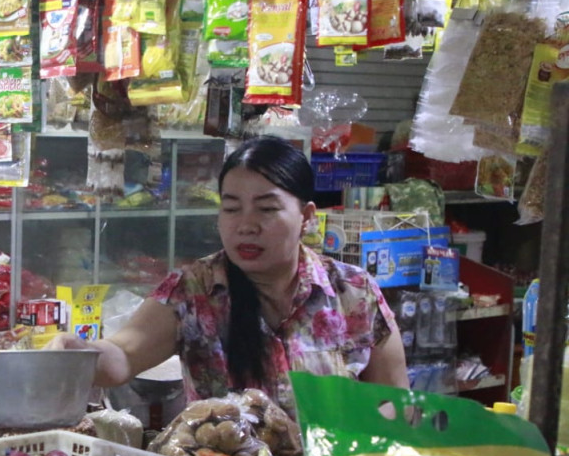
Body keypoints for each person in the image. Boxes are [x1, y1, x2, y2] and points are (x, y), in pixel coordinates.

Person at [52, 136, 408, 419]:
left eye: (267, 209)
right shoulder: (193, 291)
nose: (246, 225)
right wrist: (78, 353)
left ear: (307, 216)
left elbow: (392, 405)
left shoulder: (354, 292)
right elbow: (123, 355)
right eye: (232, 208)